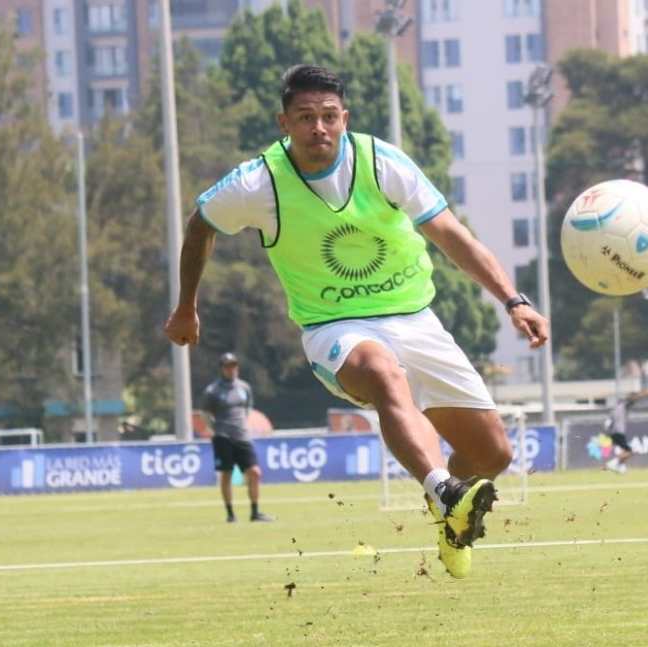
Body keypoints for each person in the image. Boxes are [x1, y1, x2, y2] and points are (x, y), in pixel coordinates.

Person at [163, 65, 549, 578]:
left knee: (492, 455)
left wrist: (513, 300)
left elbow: (452, 236)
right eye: (305, 117)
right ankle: (442, 490)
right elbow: (200, 225)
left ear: (344, 118)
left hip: (416, 318)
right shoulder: (259, 182)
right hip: (334, 328)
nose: (318, 127)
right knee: (382, 371)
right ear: (284, 123)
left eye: (328, 116)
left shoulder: (381, 161)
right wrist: (186, 305)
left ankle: (451, 517)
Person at [202, 352, 272, 523]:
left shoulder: (244, 387)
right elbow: (205, 413)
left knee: (254, 472)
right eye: (228, 366)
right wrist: (215, 429)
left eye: (234, 365)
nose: (231, 369)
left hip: (242, 436)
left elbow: (247, 408)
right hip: (222, 437)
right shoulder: (212, 390)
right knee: (226, 474)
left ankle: (255, 512)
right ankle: (230, 514)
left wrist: (241, 425)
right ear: (222, 369)